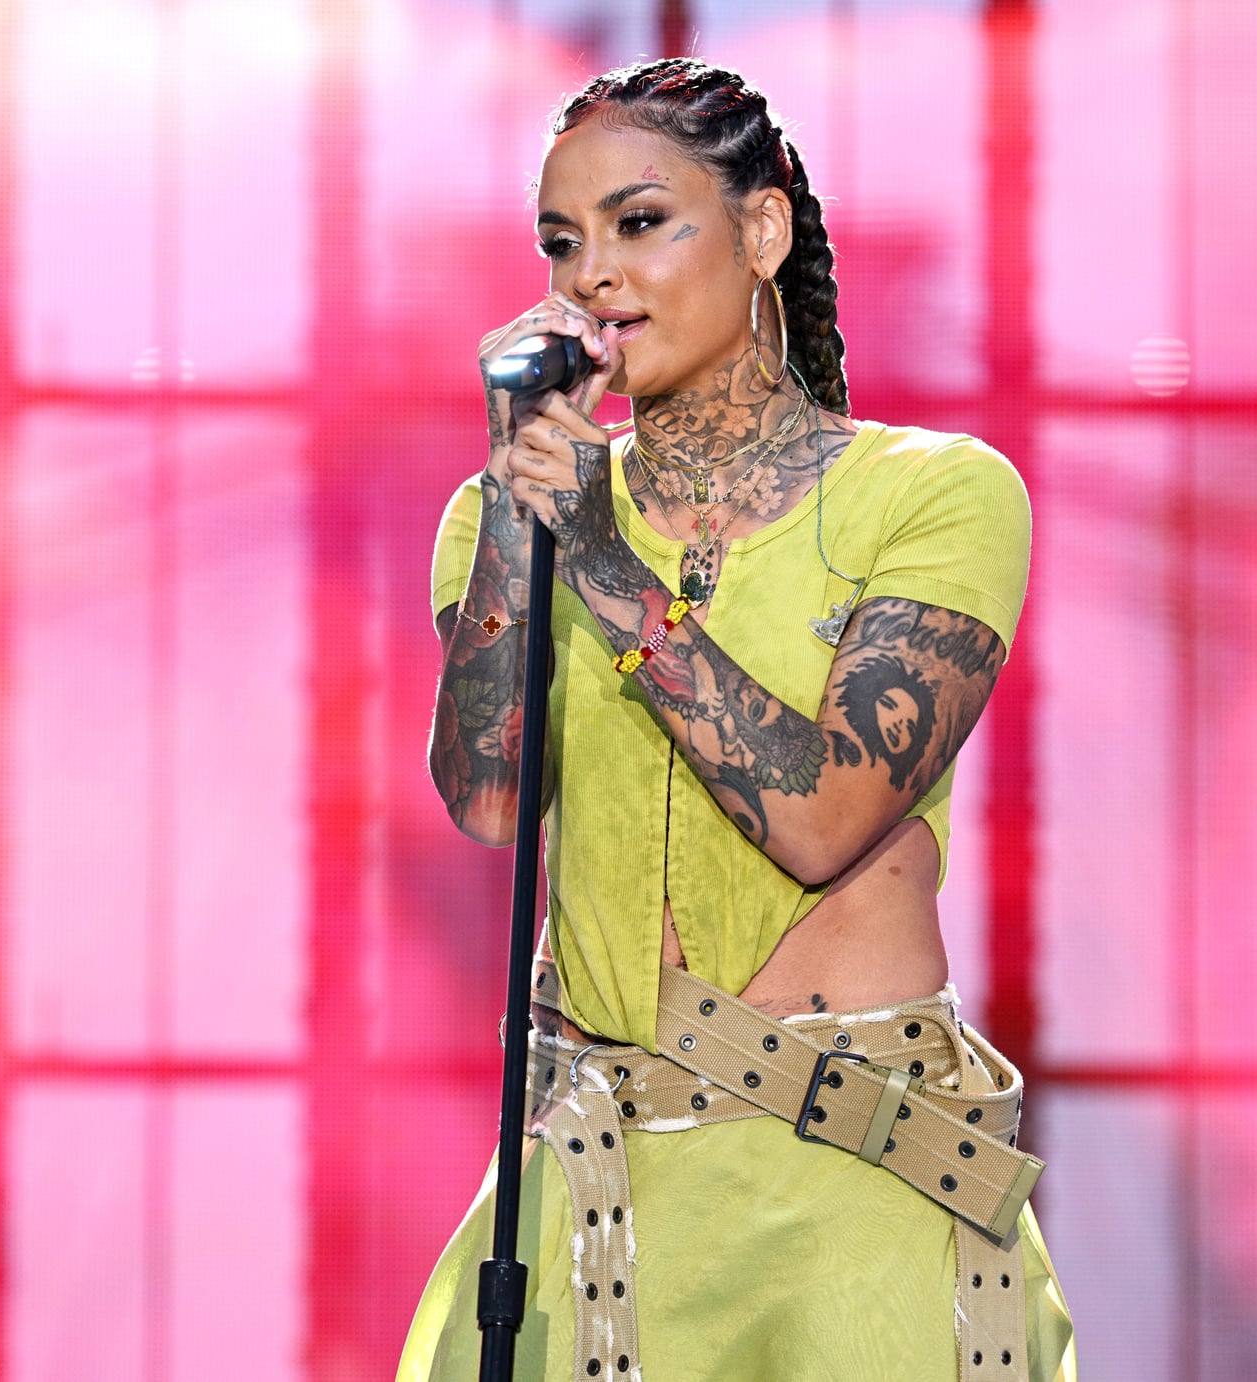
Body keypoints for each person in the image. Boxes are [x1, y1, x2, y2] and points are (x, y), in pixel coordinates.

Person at [401, 56, 1076, 1382]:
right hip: (590, 1191)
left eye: (642, 222)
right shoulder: (508, 522)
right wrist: (528, 530)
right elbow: (486, 803)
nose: (593, 272)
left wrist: (604, 564)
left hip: (843, 1187)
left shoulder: (933, 495)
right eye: (561, 241)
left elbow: (825, 814)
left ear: (761, 230)